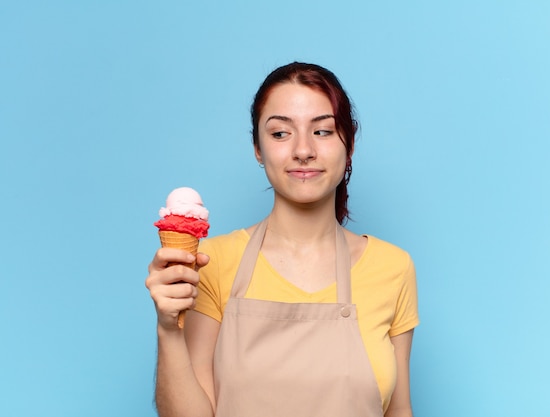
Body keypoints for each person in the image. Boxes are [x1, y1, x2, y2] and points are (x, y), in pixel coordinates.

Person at [146, 62, 419, 417]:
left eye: (322, 131)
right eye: (280, 134)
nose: (303, 150)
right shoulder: (210, 263)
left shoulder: (393, 268)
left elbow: (399, 411)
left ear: (348, 144)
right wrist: (168, 328)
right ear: (258, 149)